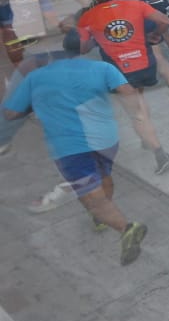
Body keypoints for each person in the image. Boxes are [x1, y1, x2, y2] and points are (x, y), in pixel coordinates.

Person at [2, 30, 150, 265]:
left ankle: (125, 228)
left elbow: (10, 113)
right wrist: (137, 115)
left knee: (90, 194)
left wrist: (35, 103)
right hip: (105, 139)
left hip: (70, 146)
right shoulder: (102, 68)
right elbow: (128, 92)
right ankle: (101, 217)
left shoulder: (35, 78)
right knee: (103, 175)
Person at [75, 0, 169, 171]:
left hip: (118, 71)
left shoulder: (87, 17)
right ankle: (146, 138)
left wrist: (96, 36)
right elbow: (165, 20)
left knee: (135, 114)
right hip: (144, 63)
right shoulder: (136, 5)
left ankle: (160, 154)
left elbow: (83, 48)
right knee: (139, 99)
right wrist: (155, 35)